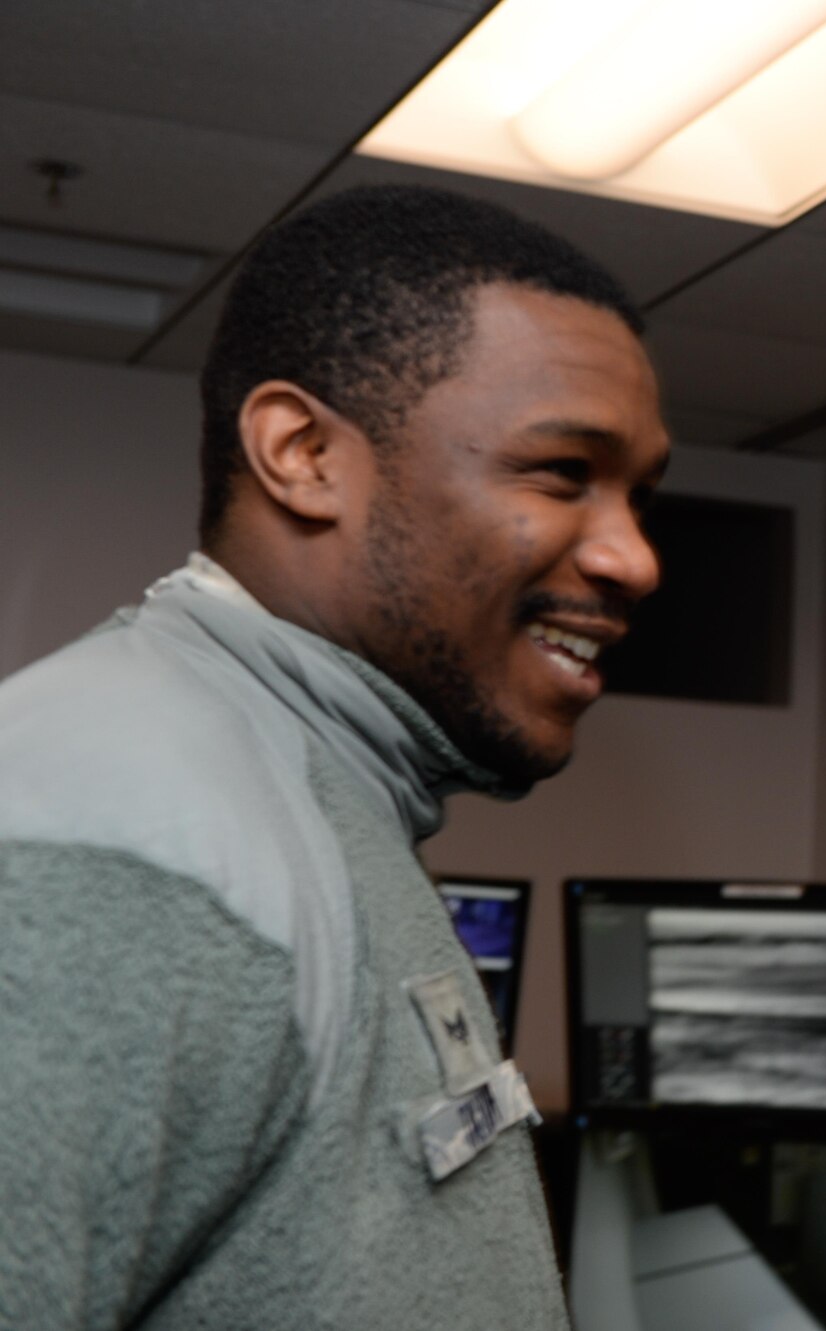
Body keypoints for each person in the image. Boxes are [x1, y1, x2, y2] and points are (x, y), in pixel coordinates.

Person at [0, 185, 669, 1328]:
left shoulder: (298, 786)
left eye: (637, 496)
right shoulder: (126, 828)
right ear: (303, 453)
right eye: (562, 472)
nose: (634, 559)